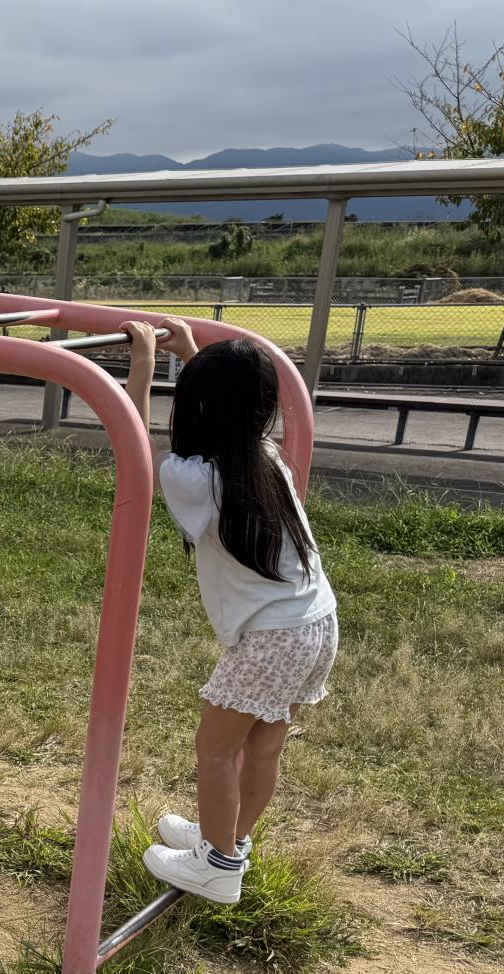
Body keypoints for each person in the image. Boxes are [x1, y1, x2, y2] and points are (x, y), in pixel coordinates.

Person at [122, 317, 339, 905]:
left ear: (197, 410)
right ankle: (229, 838)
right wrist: (191, 352)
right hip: (316, 621)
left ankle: (217, 866)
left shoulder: (199, 478)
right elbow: (227, 401)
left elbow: (136, 446)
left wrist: (142, 364)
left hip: (273, 636)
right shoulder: (263, 453)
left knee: (215, 747)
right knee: (264, 744)